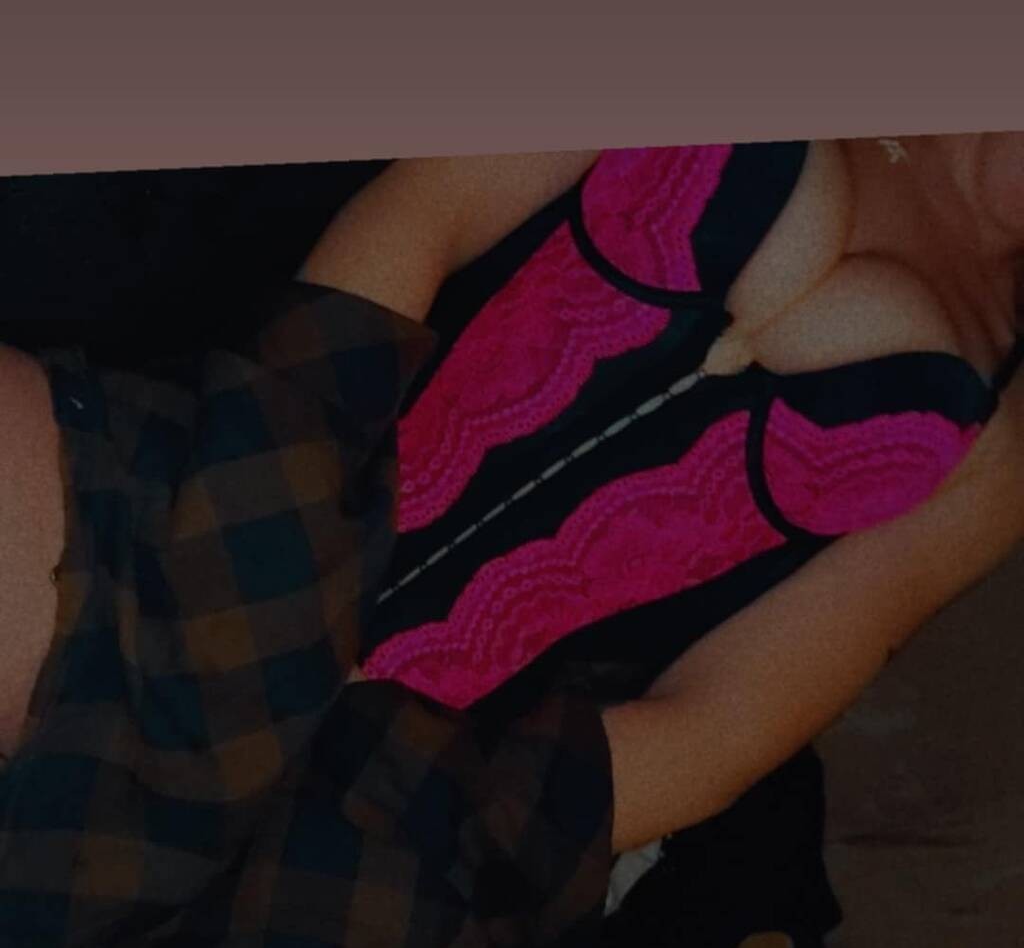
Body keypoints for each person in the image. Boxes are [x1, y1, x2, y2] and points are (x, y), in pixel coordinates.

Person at [0, 137, 1022, 945]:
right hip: (248, 488)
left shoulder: (1003, 440)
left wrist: (416, 801)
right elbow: (428, 210)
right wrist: (270, 547)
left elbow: (722, 725)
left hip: (411, 767)